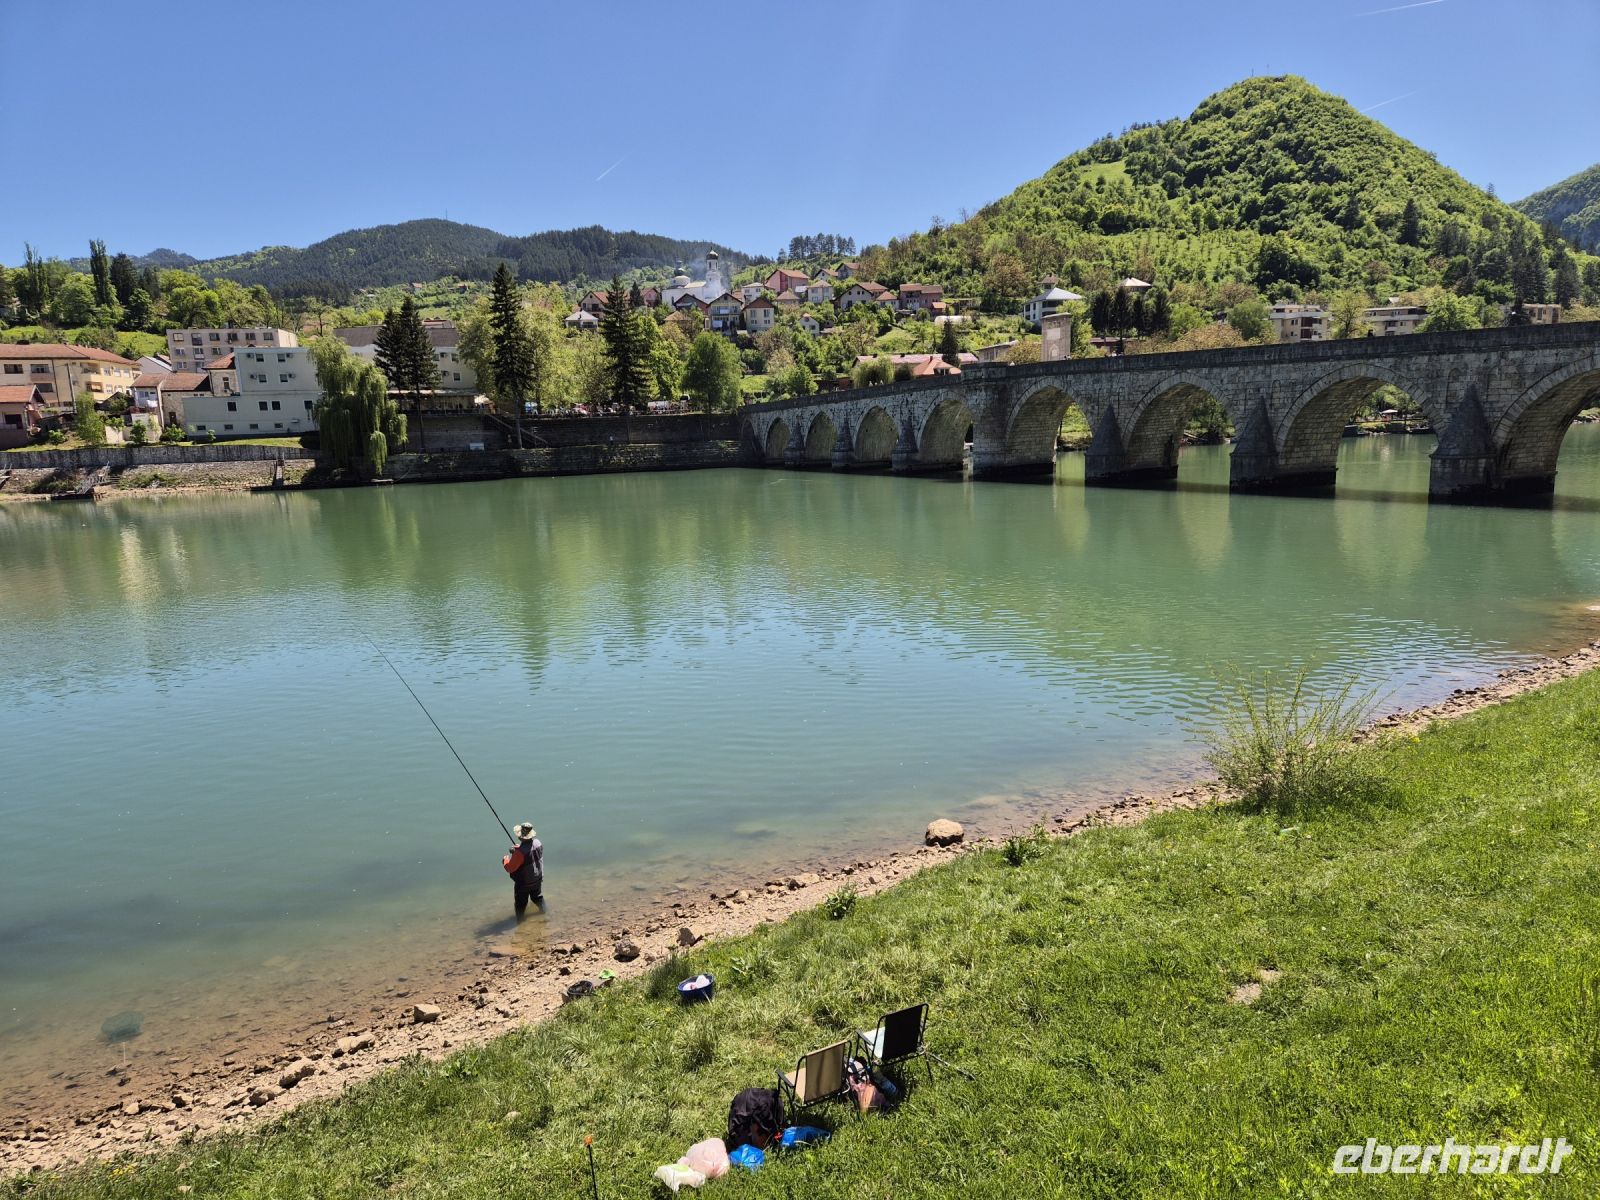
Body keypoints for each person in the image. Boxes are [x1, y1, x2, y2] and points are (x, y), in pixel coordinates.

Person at [509, 822, 544, 916]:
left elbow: (510, 868)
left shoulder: (519, 853)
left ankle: (520, 922)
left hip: (524, 884)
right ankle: (543, 913)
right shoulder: (538, 843)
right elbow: (529, 853)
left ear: (520, 836)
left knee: (520, 904)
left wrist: (506, 859)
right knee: (537, 898)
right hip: (537, 879)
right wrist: (519, 849)